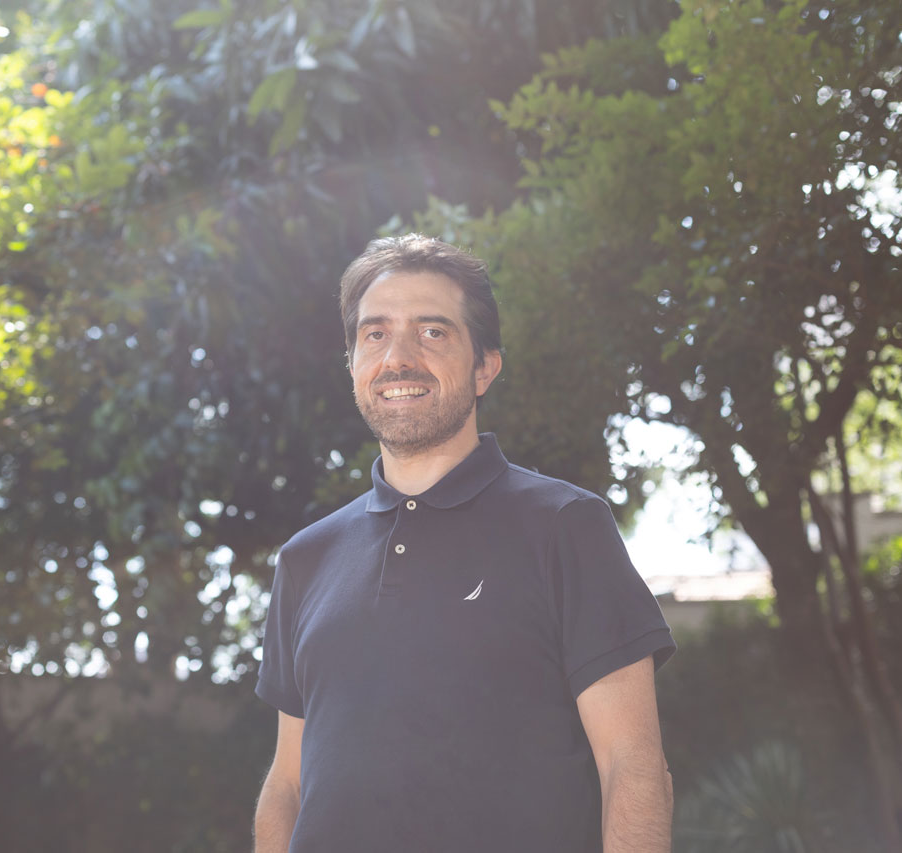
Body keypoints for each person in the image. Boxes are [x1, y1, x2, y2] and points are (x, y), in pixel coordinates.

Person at [252, 234, 675, 852]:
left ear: (485, 368)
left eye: (432, 332)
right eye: (375, 334)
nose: (398, 358)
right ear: (353, 364)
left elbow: (632, 767)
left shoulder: (566, 526)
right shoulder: (304, 559)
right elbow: (287, 784)